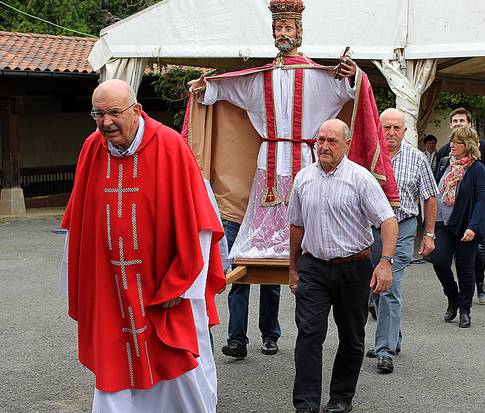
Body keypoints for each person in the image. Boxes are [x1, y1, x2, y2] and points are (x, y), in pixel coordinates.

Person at [187, 0, 399, 359]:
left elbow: (350, 89)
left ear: (300, 31)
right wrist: (205, 87)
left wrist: (351, 74)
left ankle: (274, 324)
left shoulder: (318, 75)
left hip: (305, 157)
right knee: (251, 252)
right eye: (279, 28)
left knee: (299, 223)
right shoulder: (261, 77)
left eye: (289, 28)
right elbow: (226, 90)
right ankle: (241, 334)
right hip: (267, 159)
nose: (284, 33)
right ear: (273, 32)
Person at [60, 80, 225, 412]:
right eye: (98, 114)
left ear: (136, 111)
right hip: (112, 287)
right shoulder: (93, 148)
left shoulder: (169, 146)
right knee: (114, 360)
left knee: (175, 361)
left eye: (114, 113)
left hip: (163, 287)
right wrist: (84, 285)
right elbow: (79, 223)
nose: (106, 122)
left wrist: (183, 283)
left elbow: (198, 224)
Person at [287, 119, 398, 413]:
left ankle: (340, 397)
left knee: (351, 335)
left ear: (347, 145)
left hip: (354, 267)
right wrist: (293, 268)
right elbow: (296, 226)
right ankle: (306, 404)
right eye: (320, 139)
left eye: (332, 141)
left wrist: (385, 263)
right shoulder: (303, 178)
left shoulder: (360, 179)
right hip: (313, 267)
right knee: (309, 334)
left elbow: (388, 221)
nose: (324, 146)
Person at [365, 109, 437, 374]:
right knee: (373, 288)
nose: (392, 133)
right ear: (377, 128)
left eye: (397, 128)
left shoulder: (418, 159)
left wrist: (429, 234)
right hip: (372, 229)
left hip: (403, 227)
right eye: (386, 128)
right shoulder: (369, 159)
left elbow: (430, 197)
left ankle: (384, 350)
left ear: (405, 132)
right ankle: (392, 336)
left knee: (388, 285)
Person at [434, 107, 485, 304]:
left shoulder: (482, 148)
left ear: (469, 124)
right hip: (447, 217)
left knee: (477, 254)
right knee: (442, 260)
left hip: (472, 212)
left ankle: (479, 282)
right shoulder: (445, 152)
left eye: (461, 121)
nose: (458, 124)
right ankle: (456, 295)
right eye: (454, 121)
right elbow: (437, 182)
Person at [433, 126, 485, 328]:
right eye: (452, 141)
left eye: (457, 142)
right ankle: (453, 297)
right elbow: (435, 191)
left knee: (465, 269)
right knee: (439, 262)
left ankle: (465, 309)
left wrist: (473, 226)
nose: (452, 145)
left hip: (466, 226)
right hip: (443, 223)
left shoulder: (477, 168)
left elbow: (481, 200)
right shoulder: (445, 163)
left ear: (469, 145)